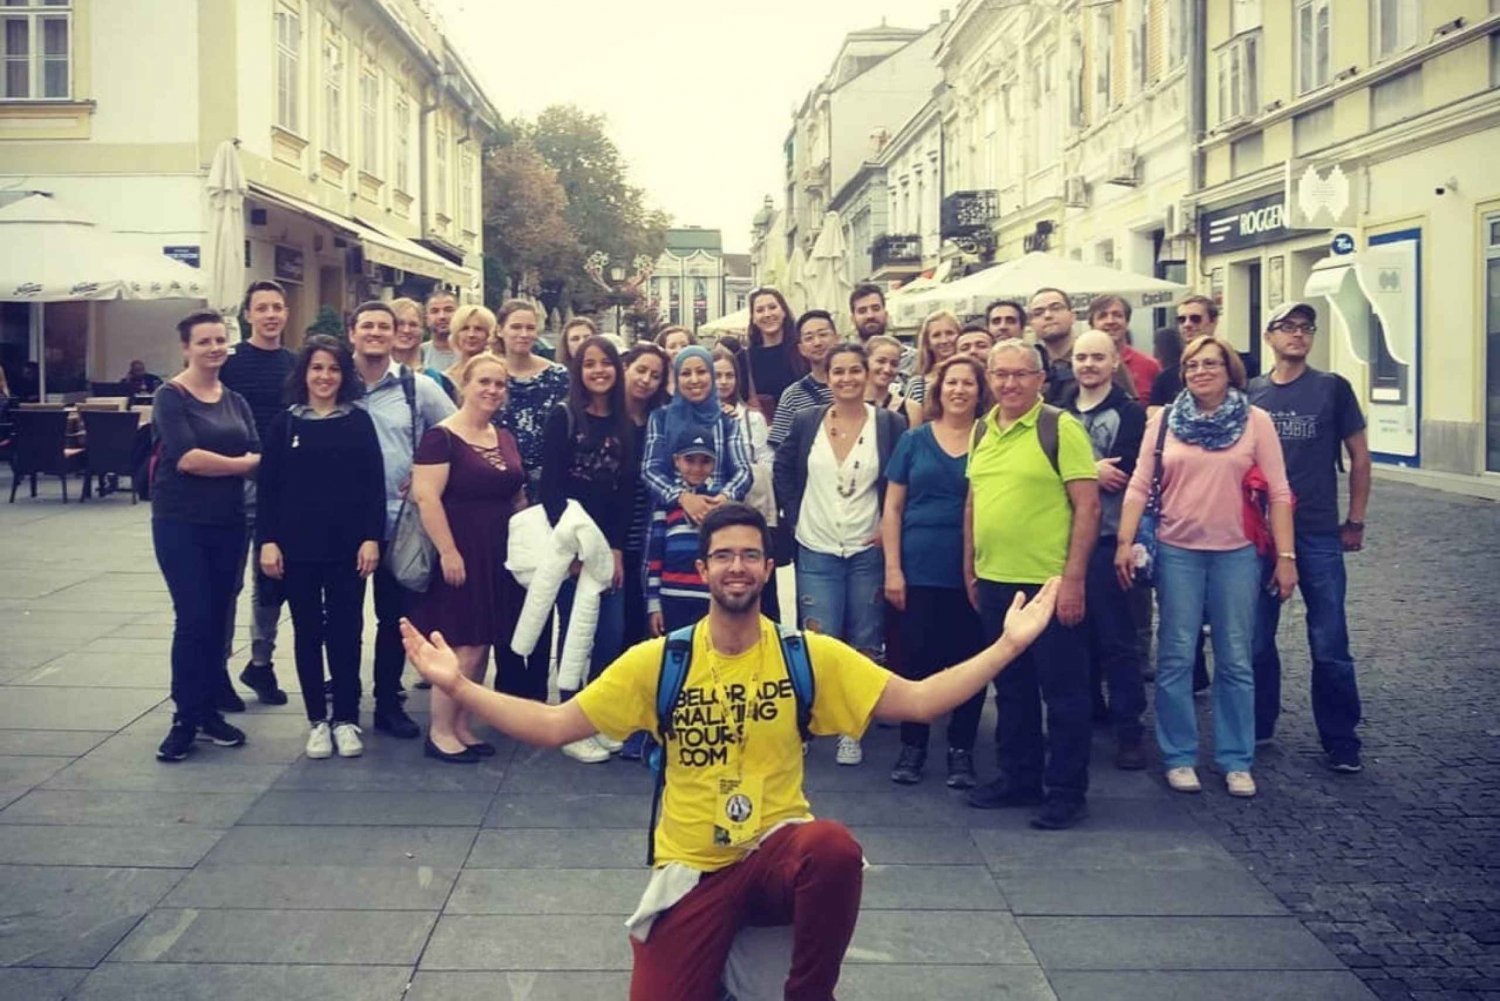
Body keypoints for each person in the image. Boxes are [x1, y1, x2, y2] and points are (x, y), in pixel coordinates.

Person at [397, 502, 1060, 1001]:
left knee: (832, 847)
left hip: (774, 855)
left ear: (767, 568)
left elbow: (918, 700)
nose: (737, 565)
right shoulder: (662, 660)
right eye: (724, 554)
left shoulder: (806, 654)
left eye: (750, 554)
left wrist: (1007, 647)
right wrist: (459, 685)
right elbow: (552, 723)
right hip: (693, 869)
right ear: (704, 567)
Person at [1116, 335, 1295, 799]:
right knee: (1176, 655)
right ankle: (1179, 755)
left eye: (1210, 363)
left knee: (1236, 657)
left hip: (1237, 553)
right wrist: (1123, 541)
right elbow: (1138, 485)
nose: (1200, 371)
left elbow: (1278, 492)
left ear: (1229, 368)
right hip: (1177, 551)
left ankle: (1236, 759)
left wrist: (1286, 557)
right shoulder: (1165, 422)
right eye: (1192, 364)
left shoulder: (1256, 421)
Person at [964, 339, 1101, 829]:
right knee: (1012, 688)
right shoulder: (983, 428)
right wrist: (971, 566)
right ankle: (1018, 777)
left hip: (1047, 583)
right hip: (997, 580)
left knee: (1063, 693)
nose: (1009, 383)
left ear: (1041, 379)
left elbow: (1088, 506)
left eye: (1021, 374)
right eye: (1000, 374)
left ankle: (1066, 790)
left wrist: (1073, 580)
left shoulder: (1059, 427)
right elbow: (975, 502)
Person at [1249, 302, 1370, 773]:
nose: (1298, 335)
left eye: (1306, 328)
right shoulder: (1253, 392)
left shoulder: (1331, 388)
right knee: (1256, 637)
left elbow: (1359, 455)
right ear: (1269, 336)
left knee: (1329, 640)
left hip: (1318, 530)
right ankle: (1259, 723)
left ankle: (1341, 737)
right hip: (1260, 534)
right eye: (1288, 327)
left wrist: (1355, 519)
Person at [774, 343, 906, 768]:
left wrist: (888, 531)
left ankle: (853, 726)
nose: (847, 379)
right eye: (838, 372)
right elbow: (784, 468)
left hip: (866, 547)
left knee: (865, 639)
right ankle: (810, 723)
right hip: (816, 544)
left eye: (855, 371)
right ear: (826, 378)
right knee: (816, 639)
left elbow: (898, 483)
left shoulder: (889, 424)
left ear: (867, 374)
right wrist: (794, 516)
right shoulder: (806, 420)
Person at [256, 336, 385, 760]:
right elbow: (269, 489)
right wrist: (268, 542)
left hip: (348, 548)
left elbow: (372, 486)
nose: (324, 377)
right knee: (308, 633)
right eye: (316, 368)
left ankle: (346, 718)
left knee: (347, 632)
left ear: (343, 375)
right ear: (304, 374)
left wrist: (371, 537)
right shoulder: (285, 424)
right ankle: (317, 720)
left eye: (332, 369)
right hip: (297, 549)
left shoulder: (358, 422)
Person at [151, 311, 260, 762]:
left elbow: (258, 448)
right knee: (193, 616)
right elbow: (188, 459)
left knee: (218, 617)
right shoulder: (170, 395)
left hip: (230, 522)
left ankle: (208, 710)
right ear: (186, 348)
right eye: (204, 342)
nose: (215, 348)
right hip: (181, 521)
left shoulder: (234, 399)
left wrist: (238, 463)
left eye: (220, 340)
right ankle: (184, 717)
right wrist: (239, 465)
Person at [409, 352, 525, 763]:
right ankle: (440, 732)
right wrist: (448, 551)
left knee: (482, 642)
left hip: (497, 551)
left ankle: (462, 725)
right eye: (484, 382)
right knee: (461, 644)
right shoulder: (442, 436)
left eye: (500, 384)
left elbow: (516, 493)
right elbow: (426, 496)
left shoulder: (503, 435)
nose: (493, 390)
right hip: (460, 550)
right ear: (465, 385)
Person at [882, 353, 991, 787]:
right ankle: (913, 746)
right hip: (919, 564)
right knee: (915, 658)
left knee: (969, 659)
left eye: (968, 383)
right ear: (938, 389)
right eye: (951, 382)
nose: (959, 390)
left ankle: (961, 749)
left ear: (980, 391)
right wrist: (893, 568)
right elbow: (892, 507)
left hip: (974, 566)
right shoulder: (914, 440)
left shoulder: (990, 439)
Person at [350, 300, 457, 739]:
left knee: (395, 619)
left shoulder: (417, 388)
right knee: (341, 619)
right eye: (367, 326)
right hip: (343, 522)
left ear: (395, 335)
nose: (375, 333)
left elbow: (455, 436)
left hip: (400, 525)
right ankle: (341, 704)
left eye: (383, 326)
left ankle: (388, 701)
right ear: (353, 333)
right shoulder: (336, 384)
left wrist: (425, 472)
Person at [540, 335, 635, 764]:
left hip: (607, 544)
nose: (599, 371)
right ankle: (570, 723)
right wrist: (575, 552)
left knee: (609, 635)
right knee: (574, 631)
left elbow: (626, 491)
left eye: (606, 363)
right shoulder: (563, 417)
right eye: (589, 364)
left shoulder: (624, 422)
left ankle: (597, 717)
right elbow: (551, 488)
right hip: (569, 545)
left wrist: (615, 548)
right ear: (578, 371)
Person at [1059, 331, 1148, 770]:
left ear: (1115, 362)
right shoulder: (1058, 409)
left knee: (1118, 639)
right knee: (1073, 637)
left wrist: (1080, 472)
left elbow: (1126, 473)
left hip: (1110, 537)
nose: (1088, 364)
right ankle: (1089, 713)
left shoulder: (1130, 414)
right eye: (1081, 357)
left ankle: (1130, 728)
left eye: (1097, 357)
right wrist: (1090, 468)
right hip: (1062, 538)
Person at [220, 280, 297, 709]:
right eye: (262, 308)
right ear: (248, 315)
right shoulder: (230, 364)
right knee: (228, 583)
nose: (271, 314)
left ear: (286, 314)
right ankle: (217, 671)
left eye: (278, 307)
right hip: (236, 487)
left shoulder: (296, 363)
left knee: (271, 580)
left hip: (283, 489)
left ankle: (261, 662)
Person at [642, 346, 752, 525]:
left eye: (701, 372)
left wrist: (724, 497)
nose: (694, 380)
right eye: (685, 373)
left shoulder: (726, 421)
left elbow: (743, 471)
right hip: (669, 521)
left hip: (718, 517)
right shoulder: (661, 418)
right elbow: (650, 470)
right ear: (676, 379)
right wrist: (683, 497)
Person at [620, 344, 671, 654]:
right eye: (641, 370)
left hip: (649, 532)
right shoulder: (606, 415)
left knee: (644, 624)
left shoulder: (662, 417)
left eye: (655, 375)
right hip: (615, 534)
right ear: (626, 366)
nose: (646, 380)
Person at [493, 299, 568, 502]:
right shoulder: (489, 375)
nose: (524, 334)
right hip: (498, 481)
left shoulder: (558, 376)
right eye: (516, 327)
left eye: (530, 328)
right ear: (500, 330)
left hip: (549, 482)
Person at [647, 430, 719, 634]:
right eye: (689, 460)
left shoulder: (720, 501)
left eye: (705, 461)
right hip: (671, 596)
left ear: (714, 463)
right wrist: (654, 605)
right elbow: (656, 554)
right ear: (677, 461)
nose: (697, 468)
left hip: (709, 598)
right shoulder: (666, 501)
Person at [765, 310, 838, 450]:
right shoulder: (792, 395)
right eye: (809, 338)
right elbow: (779, 448)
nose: (817, 343)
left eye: (823, 334)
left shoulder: (854, 385)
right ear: (801, 349)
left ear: (837, 338)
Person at [738, 287, 807, 422]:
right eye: (760, 310)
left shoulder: (802, 352)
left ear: (784, 312)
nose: (767, 314)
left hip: (801, 432)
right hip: (764, 435)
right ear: (753, 318)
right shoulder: (744, 359)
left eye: (772, 307)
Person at [1150, 295, 1220, 410]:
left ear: (1213, 322)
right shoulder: (1165, 378)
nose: (1187, 324)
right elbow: (1154, 420)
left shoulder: (1240, 365)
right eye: (1181, 320)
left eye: (1195, 319)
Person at [1088, 295, 1160, 401]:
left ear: (1127, 322)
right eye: (1102, 316)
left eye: (1117, 315)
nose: (1110, 321)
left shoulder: (1150, 366)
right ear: (1092, 324)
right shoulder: (1083, 366)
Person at [390, 297, 456, 401]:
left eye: (413, 325)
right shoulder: (370, 374)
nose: (406, 330)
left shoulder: (432, 378)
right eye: (400, 324)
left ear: (422, 330)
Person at [1026, 287, 1078, 404]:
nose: (1048, 315)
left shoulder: (1098, 355)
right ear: (1031, 324)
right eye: (1038, 313)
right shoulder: (1030, 365)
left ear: (1073, 316)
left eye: (1056, 308)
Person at [905, 308, 961, 405]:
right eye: (936, 335)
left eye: (949, 333)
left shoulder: (975, 379)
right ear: (928, 343)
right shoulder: (917, 385)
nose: (944, 340)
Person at [865, 335, 922, 428]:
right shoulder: (850, 405)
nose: (887, 369)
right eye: (881, 361)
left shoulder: (912, 409)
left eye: (894, 364)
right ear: (866, 361)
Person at [442, 304, 497, 392]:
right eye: (465, 328)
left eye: (478, 329)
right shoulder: (446, 378)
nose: (471, 334)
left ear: (489, 334)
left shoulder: (499, 372)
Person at [422, 289, 459, 372]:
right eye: (434, 311)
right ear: (426, 319)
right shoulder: (418, 354)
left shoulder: (473, 353)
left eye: (448, 310)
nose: (442, 316)